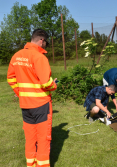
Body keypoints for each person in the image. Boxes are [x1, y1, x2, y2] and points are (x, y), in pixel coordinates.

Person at [7, 29, 57, 167]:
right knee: (43, 140)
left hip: (25, 106)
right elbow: (46, 83)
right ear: (41, 40)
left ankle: (31, 165)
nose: (45, 45)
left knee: (30, 139)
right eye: (46, 42)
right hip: (41, 105)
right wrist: (54, 85)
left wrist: (22, 93)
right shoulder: (39, 57)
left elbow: (11, 79)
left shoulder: (16, 56)